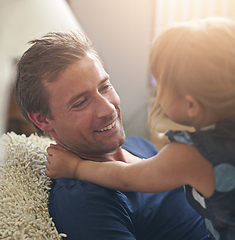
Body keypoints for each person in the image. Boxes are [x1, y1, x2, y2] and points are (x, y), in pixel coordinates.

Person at [45, 17, 235, 240]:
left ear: (191, 105)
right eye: (80, 102)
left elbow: (129, 177)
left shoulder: (190, 154)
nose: (107, 110)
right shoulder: (81, 200)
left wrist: (76, 168)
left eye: (162, 83)